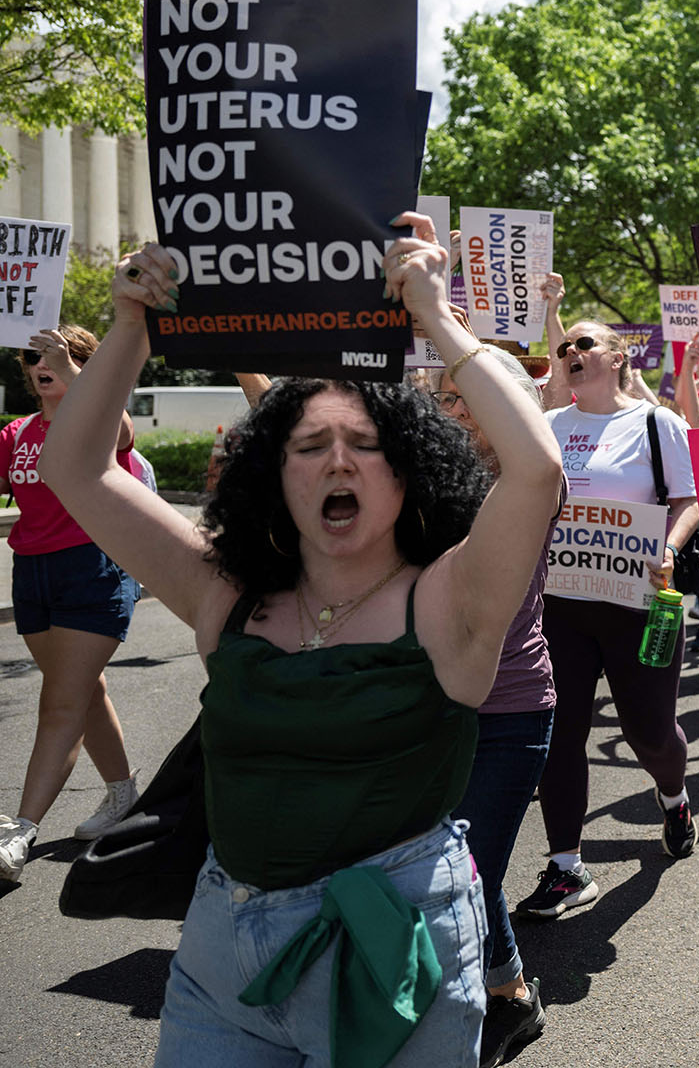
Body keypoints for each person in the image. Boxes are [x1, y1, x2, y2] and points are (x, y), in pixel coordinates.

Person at [39, 219, 562, 1066]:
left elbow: (536, 470)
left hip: (398, 959)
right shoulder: (226, 595)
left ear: (411, 471)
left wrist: (433, 311)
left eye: (367, 445)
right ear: (273, 477)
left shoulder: (450, 603)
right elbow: (79, 469)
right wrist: (133, 324)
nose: (339, 464)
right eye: (309, 446)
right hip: (221, 961)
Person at [520, 317, 699, 919]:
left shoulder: (656, 423)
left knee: (650, 731)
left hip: (642, 605)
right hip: (561, 604)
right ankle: (566, 867)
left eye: (585, 344)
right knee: (561, 733)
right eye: (565, 345)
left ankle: (673, 796)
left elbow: (690, 497)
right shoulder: (548, 426)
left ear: (619, 357)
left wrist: (670, 548)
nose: (571, 351)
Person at [432, 347, 562, 1068]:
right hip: (433, 707)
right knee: (444, 869)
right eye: (446, 400)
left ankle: (499, 1004)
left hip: (510, 711)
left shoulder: (530, 481)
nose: (454, 411)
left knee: (469, 871)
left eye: (468, 399)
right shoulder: (426, 475)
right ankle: (508, 992)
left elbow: (535, 457)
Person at [0, 325, 141, 883]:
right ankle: (124, 794)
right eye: (31, 356)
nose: (40, 362)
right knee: (84, 691)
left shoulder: (98, 415)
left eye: (53, 353)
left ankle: (19, 831)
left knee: (61, 700)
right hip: (33, 573)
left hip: (93, 565)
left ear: (79, 359)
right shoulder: (17, 433)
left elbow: (123, 433)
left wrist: (79, 371)